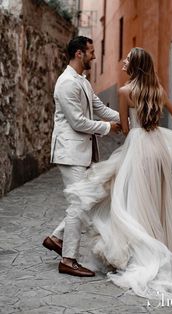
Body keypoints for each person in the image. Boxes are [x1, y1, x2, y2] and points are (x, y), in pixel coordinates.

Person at [65, 47, 172, 299]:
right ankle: (158, 243)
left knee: (132, 201)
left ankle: (139, 251)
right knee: (155, 198)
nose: (123, 61)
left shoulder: (125, 91)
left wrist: (129, 130)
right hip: (158, 148)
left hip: (138, 146)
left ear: (136, 65)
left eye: (127, 59)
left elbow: (126, 129)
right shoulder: (158, 90)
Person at [42, 36, 120, 277]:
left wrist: (126, 118)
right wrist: (107, 128)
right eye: (91, 52)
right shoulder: (66, 83)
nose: (94, 56)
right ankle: (68, 259)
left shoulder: (82, 82)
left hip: (80, 152)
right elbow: (77, 122)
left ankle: (56, 238)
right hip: (70, 153)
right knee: (79, 203)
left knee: (88, 199)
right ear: (79, 54)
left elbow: (99, 108)